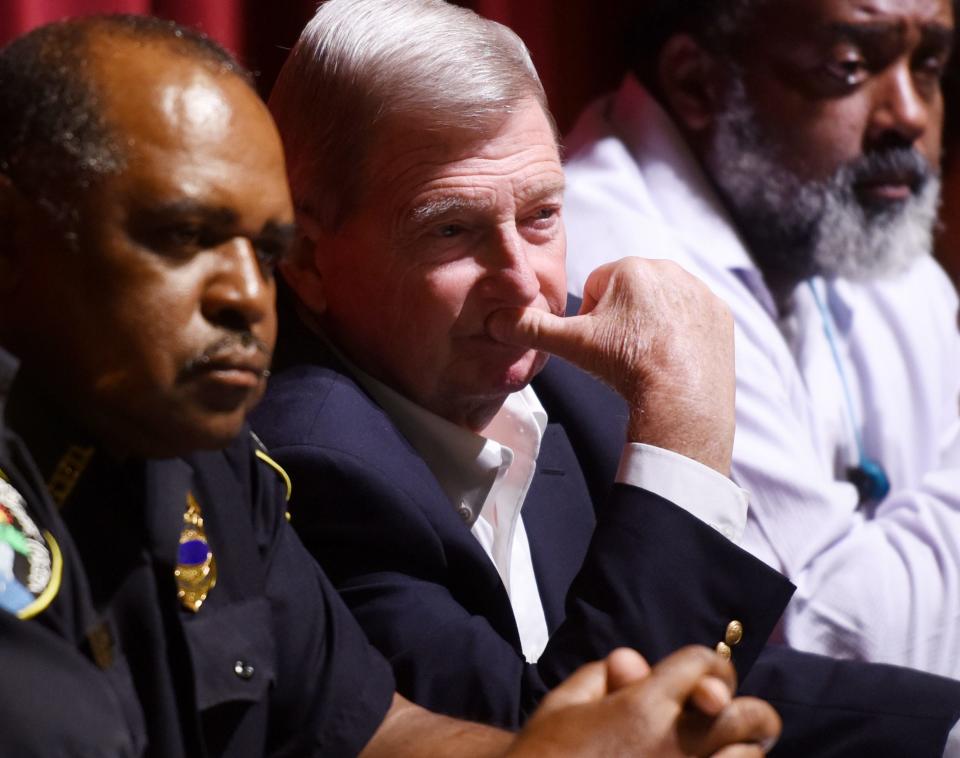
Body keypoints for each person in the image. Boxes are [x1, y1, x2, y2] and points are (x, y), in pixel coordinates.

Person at [0, 14, 784, 758]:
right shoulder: (309, 451)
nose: (247, 292)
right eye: (183, 236)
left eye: (261, 246)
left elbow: (375, 731)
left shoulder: (216, 462)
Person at [252, 0, 960, 754]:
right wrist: (683, 429)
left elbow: (721, 677)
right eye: (451, 229)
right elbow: (575, 736)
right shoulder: (314, 460)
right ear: (305, 257)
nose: (522, 282)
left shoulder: (561, 393)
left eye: (541, 216)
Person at [561, 0, 960, 678]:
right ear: (698, 83)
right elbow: (842, 644)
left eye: (928, 66)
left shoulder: (859, 224)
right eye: (851, 66)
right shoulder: (615, 267)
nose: (910, 115)